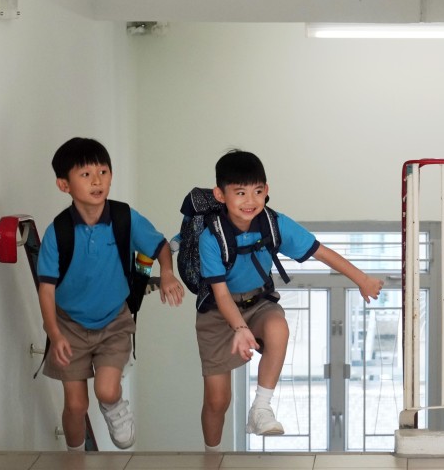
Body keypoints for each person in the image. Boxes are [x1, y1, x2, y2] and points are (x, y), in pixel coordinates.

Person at [195, 149, 383, 452]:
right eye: (240, 192)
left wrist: (361, 279)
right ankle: (212, 456)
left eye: (257, 191)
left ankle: (261, 408)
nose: (250, 201)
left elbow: (321, 252)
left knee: (279, 327)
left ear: (267, 190)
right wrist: (239, 328)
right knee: (218, 400)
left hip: (258, 303)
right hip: (219, 311)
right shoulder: (211, 238)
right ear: (220, 194)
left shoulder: (274, 223)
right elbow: (220, 293)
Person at [37, 137, 184, 451]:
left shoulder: (124, 218)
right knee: (75, 406)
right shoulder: (58, 232)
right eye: (86, 174)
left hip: (114, 322)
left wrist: (168, 273)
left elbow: (159, 246)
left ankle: (115, 407)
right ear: (64, 185)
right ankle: (75, 457)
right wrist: (54, 332)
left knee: (105, 390)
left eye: (103, 171)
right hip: (69, 325)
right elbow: (46, 288)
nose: (97, 180)